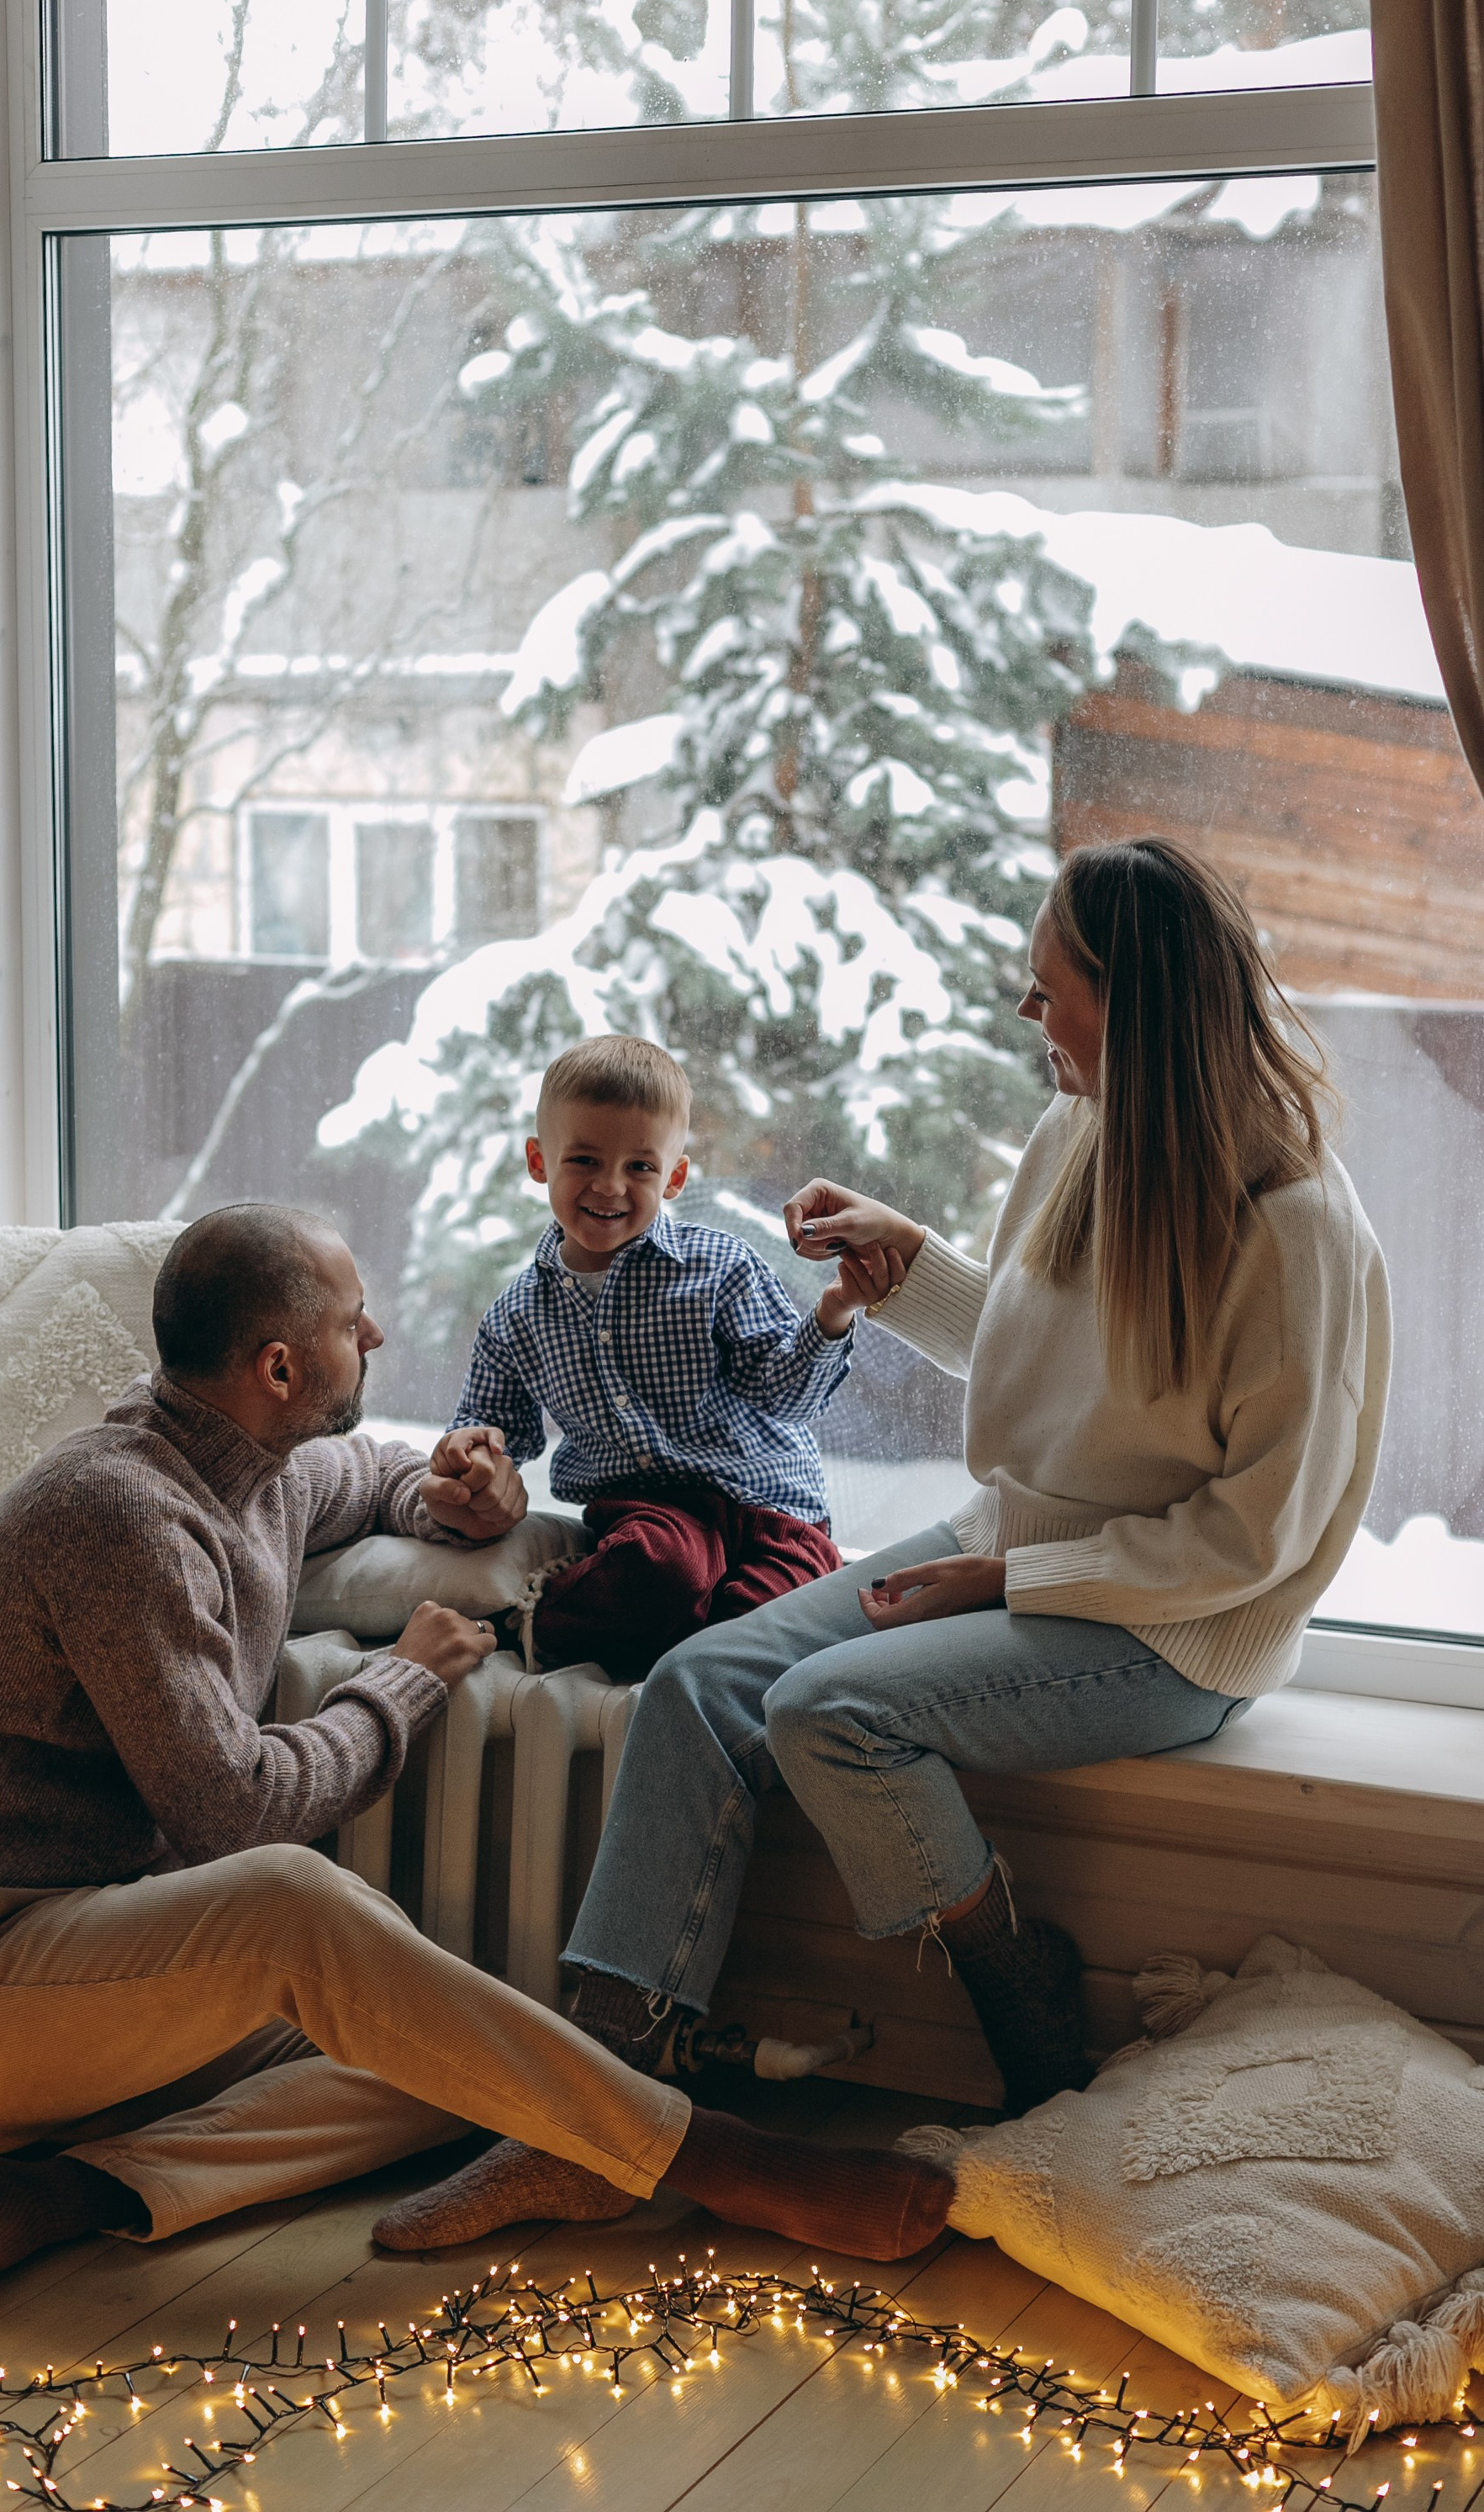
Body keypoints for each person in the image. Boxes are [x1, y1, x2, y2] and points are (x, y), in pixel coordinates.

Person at [396, 835, 1392, 2248]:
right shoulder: (1082, 1132)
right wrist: (906, 1268)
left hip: (1180, 1623)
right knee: (702, 1683)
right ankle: (596, 2113)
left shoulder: (1298, 1235)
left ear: (1141, 1006)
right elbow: (1064, 1365)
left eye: (1048, 994)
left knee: (829, 1711)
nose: (1027, 1017)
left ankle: (1021, 2002)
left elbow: (1255, 1537)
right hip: (1029, 1545)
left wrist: (1007, 1576)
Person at [0, 1203, 951, 2314]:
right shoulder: (119, 1515)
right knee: (291, 1898)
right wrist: (401, 1681)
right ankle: (717, 2162)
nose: (374, 1338)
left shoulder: (248, 1463)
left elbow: (364, 1476)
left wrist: (451, 1490)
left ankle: (58, 2195)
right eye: (352, 1321)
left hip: (87, 1976)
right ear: (275, 1367)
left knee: (457, 2052)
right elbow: (233, 1813)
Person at [436, 1035, 888, 1683]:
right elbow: (488, 1425)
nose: (610, 1186)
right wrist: (473, 1455)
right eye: (584, 1160)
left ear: (675, 1176)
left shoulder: (722, 1267)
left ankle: (685, 1666)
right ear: (540, 1162)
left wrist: (834, 1311)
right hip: (650, 1516)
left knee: (761, 1632)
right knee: (661, 1568)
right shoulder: (518, 1314)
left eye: (640, 1168)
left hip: (775, 1508)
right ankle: (532, 1624)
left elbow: (789, 1396)